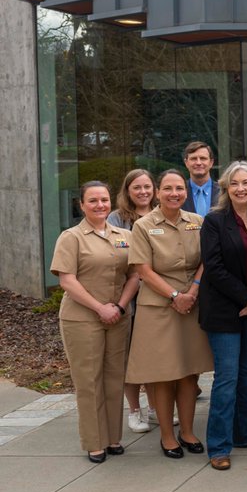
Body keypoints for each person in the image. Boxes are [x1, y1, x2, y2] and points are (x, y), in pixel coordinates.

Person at [127, 169, 212, 459]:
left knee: (189, 372)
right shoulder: (144, 225)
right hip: (159, 308)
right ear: (158, 193)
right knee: (163, 374)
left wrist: (193, 291)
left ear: (186, 193)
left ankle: (187, 431)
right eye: (167, 188)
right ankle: (167, 436)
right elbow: (143, 270)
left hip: (193, 303)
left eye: (179, 188)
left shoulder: (198, 222)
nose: (174, 193)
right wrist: (175, 296)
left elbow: (207, 260)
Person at [52, 181, 140, 463]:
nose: (100, 205)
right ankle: (94, 442)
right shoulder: (71, 237)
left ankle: (113, 438)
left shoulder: (124, 235)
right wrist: (100, 308)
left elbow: (134, 275)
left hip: (117, 316)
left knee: (115, 378)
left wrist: (120, 306)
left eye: (104, 200)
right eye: (93, 201)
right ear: (81, 205)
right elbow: (67, 280)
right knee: (89, 381)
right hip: (82, 318)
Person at [199, 162, 247, 470]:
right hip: (224, 309)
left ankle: (246, 433)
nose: (241, 188)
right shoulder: (214, 221)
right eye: (234, 184)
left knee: (246, 373)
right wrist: (246, 299)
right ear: (226, 188)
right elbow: (214, 268)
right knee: (227, 377)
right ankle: (218, 445)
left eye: (246, 182)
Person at [107, 168, 156, 434]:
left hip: (157, 299)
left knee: (152, 357)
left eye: (147, 186)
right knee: (130, 358)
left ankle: (155, 408)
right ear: (127, 191)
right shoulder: (116, 219)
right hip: (129, 299)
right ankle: (135, 410)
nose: (143, 192)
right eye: (136, 187)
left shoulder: (161, 214)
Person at [182, 141, 219, 217]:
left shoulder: (223, 191)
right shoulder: (179, 192)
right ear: (186, 163)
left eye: (203, 158)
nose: (198, 163)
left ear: (211, 162)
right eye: (193, 159)